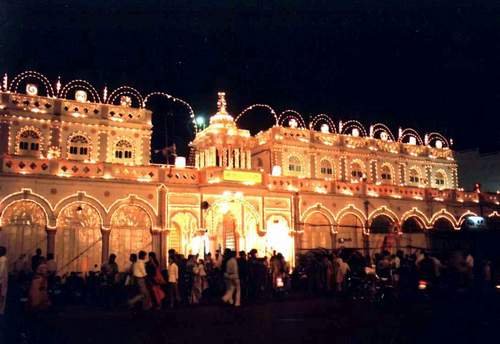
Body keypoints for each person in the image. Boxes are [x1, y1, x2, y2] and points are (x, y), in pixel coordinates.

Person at [0, 246, 8, 315]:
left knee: (2, 295)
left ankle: (1, 310)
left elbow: (1, 271)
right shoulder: (2, 259)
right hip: (2, 280)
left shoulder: (3, 259)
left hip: (1, 281)